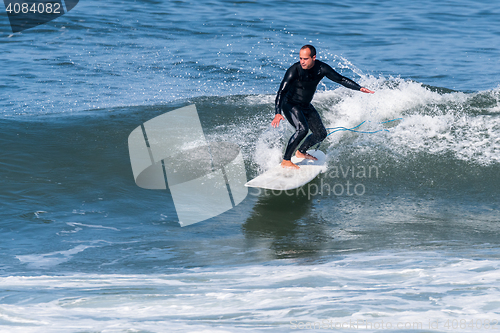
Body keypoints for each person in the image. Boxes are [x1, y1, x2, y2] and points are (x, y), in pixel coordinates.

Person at [271, 45, 374, 169]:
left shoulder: (322, 68)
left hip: (305, 105)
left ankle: (301, 152)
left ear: (313, 57)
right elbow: (281, 92)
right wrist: (278, 112)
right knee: (302, 129)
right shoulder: (294, 70)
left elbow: (340, 79)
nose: (302, 62)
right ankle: (286, 160)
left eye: (305, 59)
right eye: (300, 58)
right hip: (290, 104)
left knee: (321, 134)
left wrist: (359, 88)